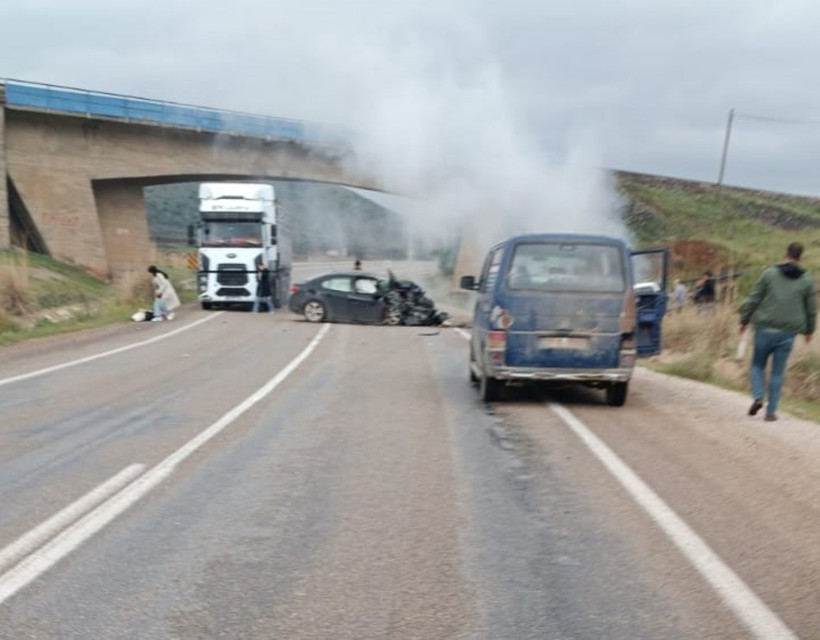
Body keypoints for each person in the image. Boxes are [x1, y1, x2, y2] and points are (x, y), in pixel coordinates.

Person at [739, 242, 816, 421]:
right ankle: (771, 412)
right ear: (801, 258)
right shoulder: (806, 280)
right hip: (787, 334)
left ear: (785, 254)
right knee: (777, 373)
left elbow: (754, 299)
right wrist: (809, 331)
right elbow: (811, 309)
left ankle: (758, 397)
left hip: (764, 329)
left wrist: (744, 320)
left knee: (758, 365)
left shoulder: (769, 273)